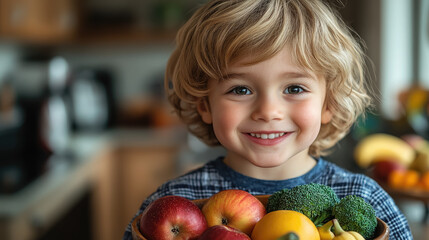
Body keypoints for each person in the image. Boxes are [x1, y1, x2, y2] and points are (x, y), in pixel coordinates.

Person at [123, 0, 413, 239]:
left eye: (294, 88)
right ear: (204, 104)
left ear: (329, 103)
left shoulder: (365, 198)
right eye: (241, 89)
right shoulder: (175, 201)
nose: (268, 110)